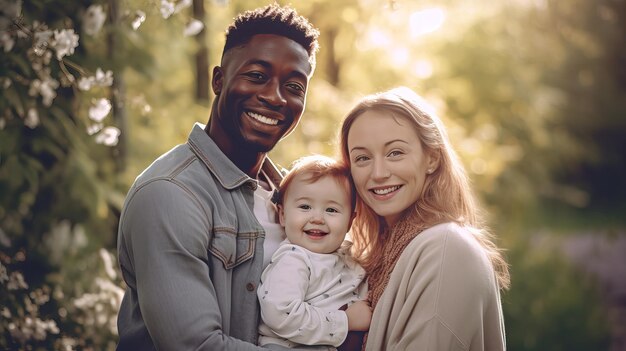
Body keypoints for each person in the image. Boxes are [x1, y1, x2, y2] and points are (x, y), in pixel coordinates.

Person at [116, 4, 319, 350]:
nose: (275, 96)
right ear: (218, 80)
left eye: (294, 86)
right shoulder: (170, 195)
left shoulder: (291, 197)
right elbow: (198, 345)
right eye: (257, 76)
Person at [339, 87, 511, 350]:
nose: (379, 173)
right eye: (362, 158)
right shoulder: (375, 256)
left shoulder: (446, 248)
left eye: (395, 152)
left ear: (431, 158)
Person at [257, 155, 370, 350]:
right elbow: (280, 313)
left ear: (350, 222)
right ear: (283, 215)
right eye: (305, 207)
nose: (317, 218)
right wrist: (345, 321)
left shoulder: (346, 256)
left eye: (331, 210)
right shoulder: (294, 259)